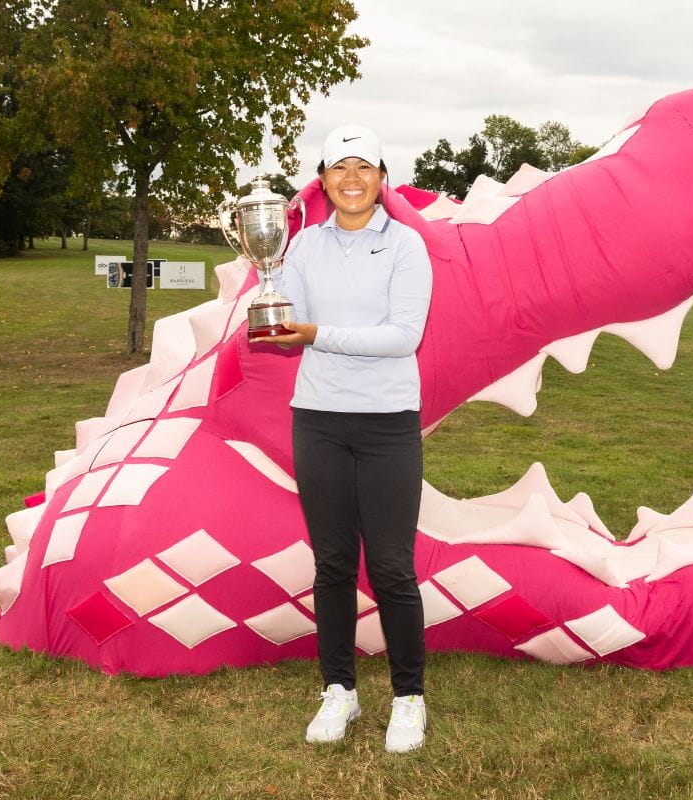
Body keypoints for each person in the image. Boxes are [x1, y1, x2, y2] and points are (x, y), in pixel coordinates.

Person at [250, 124, 433, 753]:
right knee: (331, 563)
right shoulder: (301, 246)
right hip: (319, 419)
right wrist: (270, 301)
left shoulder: (406, 245)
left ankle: (408, 697)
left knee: (390, 566)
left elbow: (402, 337)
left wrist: (314, 334)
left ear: (382, 178)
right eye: (339, 167)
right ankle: (340, 689)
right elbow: (288, 320)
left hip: (387, 423)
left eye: (364, 167)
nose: (352, 179)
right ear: (322, 180)